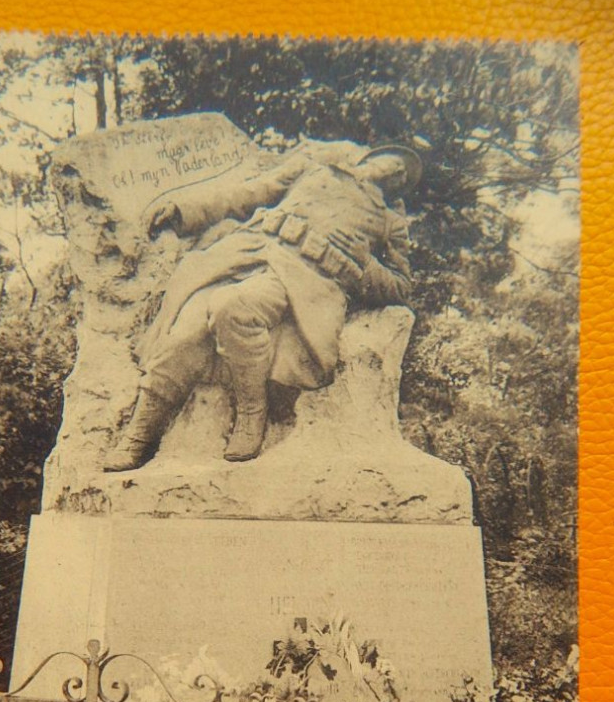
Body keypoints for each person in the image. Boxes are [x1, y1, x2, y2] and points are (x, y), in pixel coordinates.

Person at [103, 142, 422, 470]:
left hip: (301, 276)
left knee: (234, 308)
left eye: (404, 176)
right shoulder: (313, 168)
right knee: (185, 333)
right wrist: (185, 210)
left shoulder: (389, 222)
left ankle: (253, 412)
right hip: (248, 250)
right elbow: (247, 194)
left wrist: (366, 263)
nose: (398, 172)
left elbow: (400, 286)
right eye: (395, 162)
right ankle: (138, 437)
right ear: (369, 155)